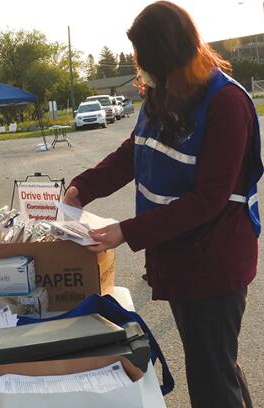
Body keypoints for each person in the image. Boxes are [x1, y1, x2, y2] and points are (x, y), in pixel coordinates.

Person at [64, 2, 261, 408]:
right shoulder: (164, 93)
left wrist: (126, 232)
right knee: (215, 363)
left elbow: (209, 199)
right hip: (180, 258)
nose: (141, 69)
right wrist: (81, 189)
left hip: (214, 264)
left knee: (210, 377)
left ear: (167, 56)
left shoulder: (227, 103)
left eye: (144, 59)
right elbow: (132, 151)